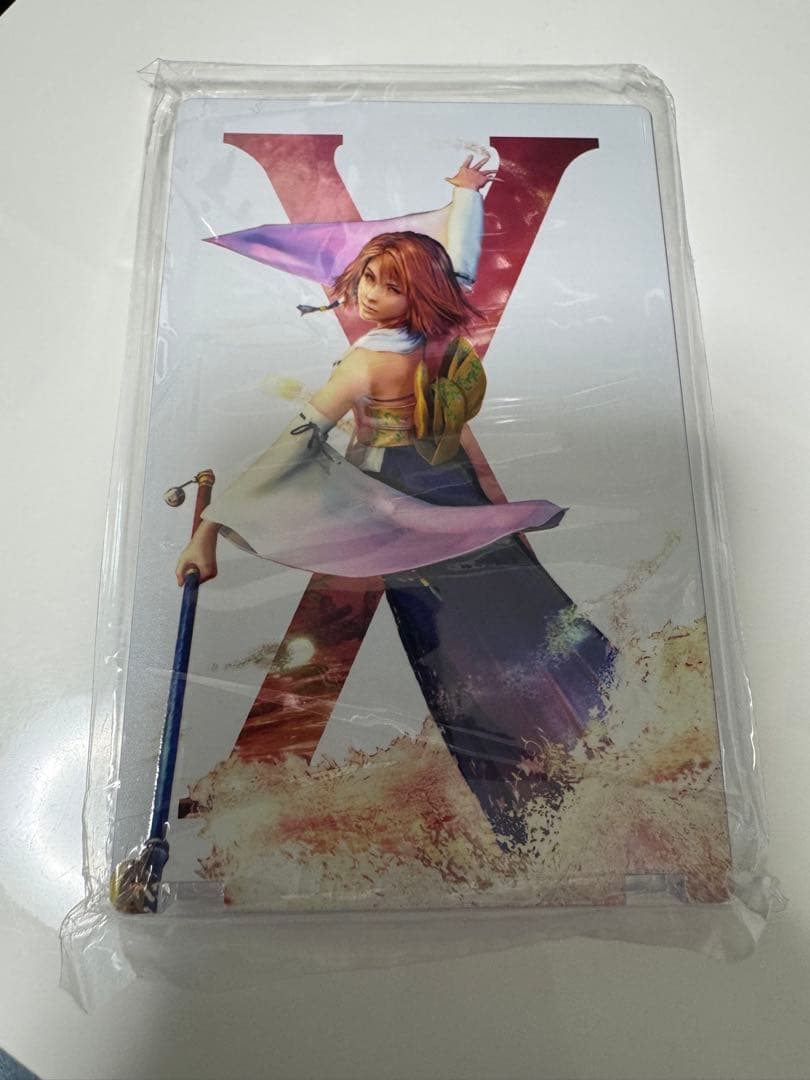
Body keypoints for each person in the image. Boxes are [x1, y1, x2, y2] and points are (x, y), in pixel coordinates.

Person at [177, 156, 615, 848]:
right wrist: (464, 196)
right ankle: (587, 750)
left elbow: (297, 443)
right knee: (519, 621)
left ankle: (532, 805)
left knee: (465, 654)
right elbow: (459, 264)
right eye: (369, 279)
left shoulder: (368, 360)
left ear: (417, 294)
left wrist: (211, 526)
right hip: (449, 487)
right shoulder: (435, 336)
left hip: (397, 502)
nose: (370, 294)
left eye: (389, 285)